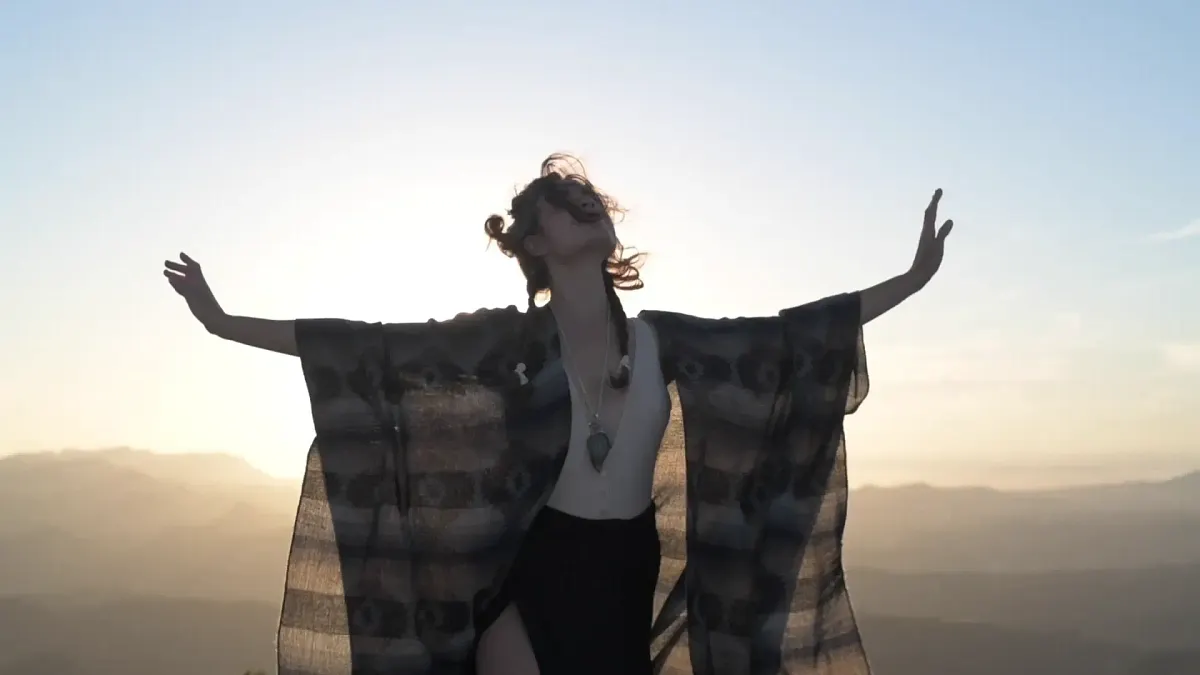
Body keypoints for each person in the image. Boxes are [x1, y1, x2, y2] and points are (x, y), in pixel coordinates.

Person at [164, 154, 953, 675]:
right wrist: (224, 321)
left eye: (590, 200)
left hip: (623, 575)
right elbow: (371, 349)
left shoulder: (665, 342)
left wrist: (912, 279)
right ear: (538, 243)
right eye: (569, 206)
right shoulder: (508, 344)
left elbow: (789, 340)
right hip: (533, 572)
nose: (591, 207)